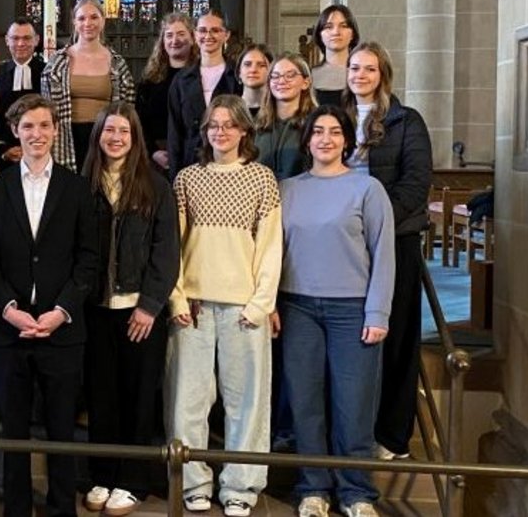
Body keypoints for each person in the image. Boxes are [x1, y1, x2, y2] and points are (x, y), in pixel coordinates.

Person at [0, 94, 99, 517]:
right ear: (15, 131)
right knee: (13, 431)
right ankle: (17, 508)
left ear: (55, 131)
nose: (37, 134)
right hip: (9, 332)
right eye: (28, 126)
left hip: (61, 330)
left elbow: (89, 259)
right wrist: (9, 308)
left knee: (61, 429)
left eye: (45, 126)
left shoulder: (78, 188)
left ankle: (63, 508)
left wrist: (60, 311)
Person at [165, 95, 282, 516]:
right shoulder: (187, 179)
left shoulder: (262, 179)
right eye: (214, 125)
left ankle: (241, 485)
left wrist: (260, 304)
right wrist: (176, 294)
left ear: (245, 132)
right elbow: (172, 247)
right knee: (188, 400)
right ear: (205, 131)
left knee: (246, 401)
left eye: (230, 125)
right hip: (193, 305)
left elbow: (271, 248)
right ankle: (192, 482)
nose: (221, 132)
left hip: (243, 308)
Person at [279, 105, 394, 517]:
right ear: (306, 139)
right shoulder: (287, 189)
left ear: (347, 140)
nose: (325, 139)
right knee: (306, 403)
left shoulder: (367, 189)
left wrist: (377, 312)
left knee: (353, 404)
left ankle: (356, 492)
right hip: (298, 307)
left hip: (352, 310)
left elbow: (384, 254)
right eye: (317, 132)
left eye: (334, 132)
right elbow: (275, 254)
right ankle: (313, 488)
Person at [80, 102, 179, 516]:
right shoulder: (82, 185)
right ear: (98, 136)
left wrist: (150, 305)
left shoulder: (156, 186)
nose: (116, 138)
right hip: (95, 309)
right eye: (109, 131)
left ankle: (133, 480)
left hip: (139, 310)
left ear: (135, 137)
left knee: (138, 397)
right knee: (102, 396)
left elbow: (166, 251)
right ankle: (102, 474)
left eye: (124, 131)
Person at [342, 41, 433, 462]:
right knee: (354, 336)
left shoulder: (405, 121)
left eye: (369, 69)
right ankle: (351, 427)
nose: (360, 75)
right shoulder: (336, 117)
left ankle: (393, 435)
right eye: (354, 68)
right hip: (345, 246)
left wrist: (375, 227)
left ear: (383, 75)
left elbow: (415, 185)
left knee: (395, 336)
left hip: (394, 240)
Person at [42, 0, 136, 171]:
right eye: (82, 18)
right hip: (66, 136)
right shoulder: (57, 62)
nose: (88, 23)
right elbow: (46, 108)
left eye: (94, 17)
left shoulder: (117, 63)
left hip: (105, 136)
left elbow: (127, 109)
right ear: (74, 23)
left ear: (103, 21)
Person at [166, 9, 242, 177]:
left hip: (229, 165)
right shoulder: (181, 80)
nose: (208, 36)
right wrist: (175, 177)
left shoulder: (236, 76)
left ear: (226, 35)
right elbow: (174, 134)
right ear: (194, 35)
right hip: (190, 165)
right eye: (202, 30)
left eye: (215, 30)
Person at [136, 13, 198, 170]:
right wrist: (153, 151)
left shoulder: (201, 76)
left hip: (193, 154)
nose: (174, 40)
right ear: (162, 42)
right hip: (157, 155)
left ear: (192, 38)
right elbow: (139, 120)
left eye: (181, 34)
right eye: (169, 35)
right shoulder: (150, 80)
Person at [255, 51, 317, 181]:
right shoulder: (257, 125)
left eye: (290, 76)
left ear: (306, 82)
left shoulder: (316, 124)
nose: (282, 81)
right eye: (275, 76)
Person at [0, 18, 45, 166]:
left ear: (36, 40)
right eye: (15, 38)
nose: (20, 44)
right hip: (4, 153)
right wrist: (5, 150)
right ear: (7, 40)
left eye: (27, 38)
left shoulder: (48, 72)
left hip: (39, 150)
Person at [310, 5, 360, 107]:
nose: (336, 32)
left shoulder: (362, 75)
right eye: (329, 27)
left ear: (353, 34)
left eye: (343, 26)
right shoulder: (309, 76)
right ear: (320, 34)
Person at [237, 44, 273, 119]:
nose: (253, 70)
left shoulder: (280, 111)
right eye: (247, 64)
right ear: (239, 72)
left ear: (272, 72)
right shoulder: (228, 110)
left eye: (262, 65)